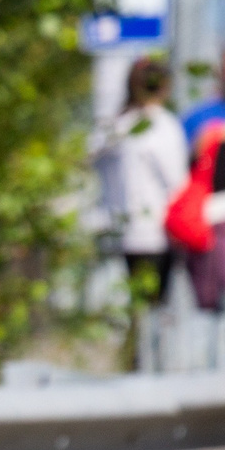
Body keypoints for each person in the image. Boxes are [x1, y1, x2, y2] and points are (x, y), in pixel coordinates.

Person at [96, 55, 189, 310]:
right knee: (156, 307)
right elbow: (177, 182)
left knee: (136, 304)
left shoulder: (115, 127)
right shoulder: (162, 126)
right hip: (157, 233)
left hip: (121, 231)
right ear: (164, 87)